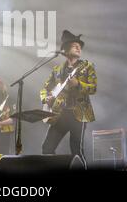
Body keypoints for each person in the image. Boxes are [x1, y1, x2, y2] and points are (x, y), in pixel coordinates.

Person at [40, 30, 97, 165]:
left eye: (79, 46)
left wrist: (78, 84)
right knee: (47, 148)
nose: (78, 47)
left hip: (79, 114)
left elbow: (93, 88)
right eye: (74, 45)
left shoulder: (87, 66)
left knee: (77, 151)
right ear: (65, 50)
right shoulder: (57, 70)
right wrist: (45, 98)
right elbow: (45, 88)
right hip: (60, 114)